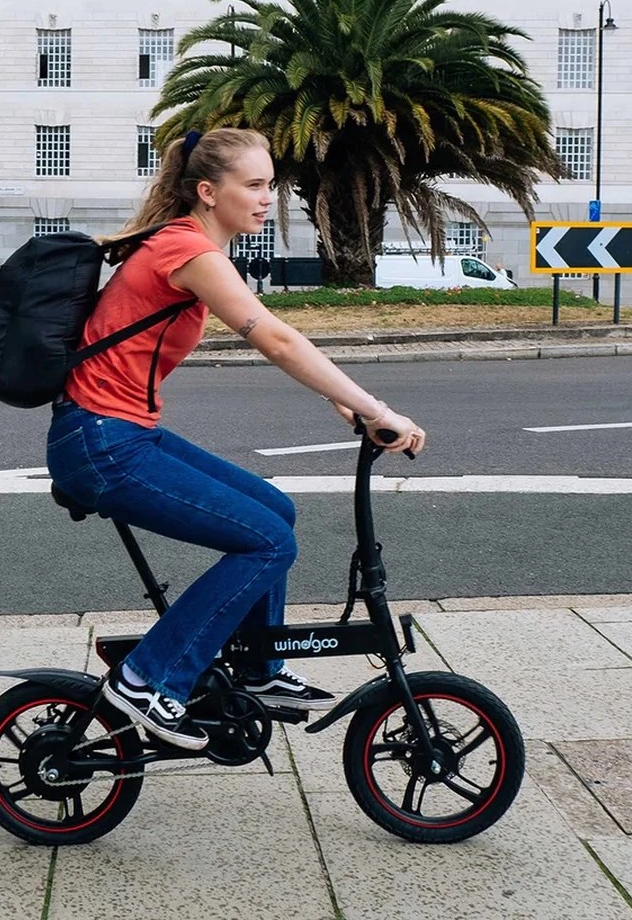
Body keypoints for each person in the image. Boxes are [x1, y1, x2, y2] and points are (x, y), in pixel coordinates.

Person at [46, 128, 425, 751]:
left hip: (120, 432)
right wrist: (378, 408)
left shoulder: (191, 247)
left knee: (276, 511)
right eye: (252, 185)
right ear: (207, 191)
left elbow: (279, 336)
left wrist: (340, 399)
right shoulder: (188, 250)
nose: (266, 198)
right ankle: (147, 677)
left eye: (270, 185)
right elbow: (273, 339)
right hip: (102, 442)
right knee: (267, 542)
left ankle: (258, 667)